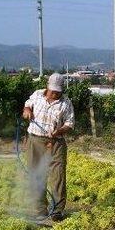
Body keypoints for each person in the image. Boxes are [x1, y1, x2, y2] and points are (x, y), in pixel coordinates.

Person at [22, 73, 74, 221]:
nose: (56, 94)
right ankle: (40, 209)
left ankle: (57, 211)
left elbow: (70, 123)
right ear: (47, 87)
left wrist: (60, 130)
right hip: (35, 140)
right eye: (53, 91)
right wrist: (27, 111)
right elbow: (27, 105)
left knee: (58, 176)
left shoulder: (66, 103)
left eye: (58, 91)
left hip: (56, 143)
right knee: (36, 174)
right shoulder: (37, 94)